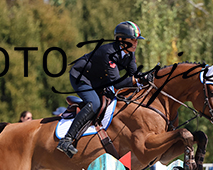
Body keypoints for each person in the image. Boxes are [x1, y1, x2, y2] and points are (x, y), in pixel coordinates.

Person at [56, 21, 154, 158]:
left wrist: (146, 77)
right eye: (132, 40)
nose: (135, 43)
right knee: (95, 104)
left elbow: (134, 74)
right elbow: (117, 82)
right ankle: (66, 140)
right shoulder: (108, 52)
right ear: (121, 40)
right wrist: (137, 79)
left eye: (136, 40)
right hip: (81, 77)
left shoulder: (130, 53)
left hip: (99, 79)